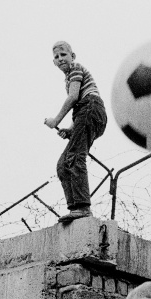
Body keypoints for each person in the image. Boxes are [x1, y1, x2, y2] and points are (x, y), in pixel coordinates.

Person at [43, 40, 107, 224]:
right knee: (63, 164)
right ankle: (75, 208)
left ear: (73, 56)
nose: (60, 58)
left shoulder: (76, 69)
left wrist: (56, 120)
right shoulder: (68, 78)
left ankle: (83, 208)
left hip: (91, 108)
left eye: (63, 54)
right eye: (56, 57)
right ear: (53, 62)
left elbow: (74, 98)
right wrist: (70, 130)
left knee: (74, 157)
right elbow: (78, 109)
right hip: (86, 113)